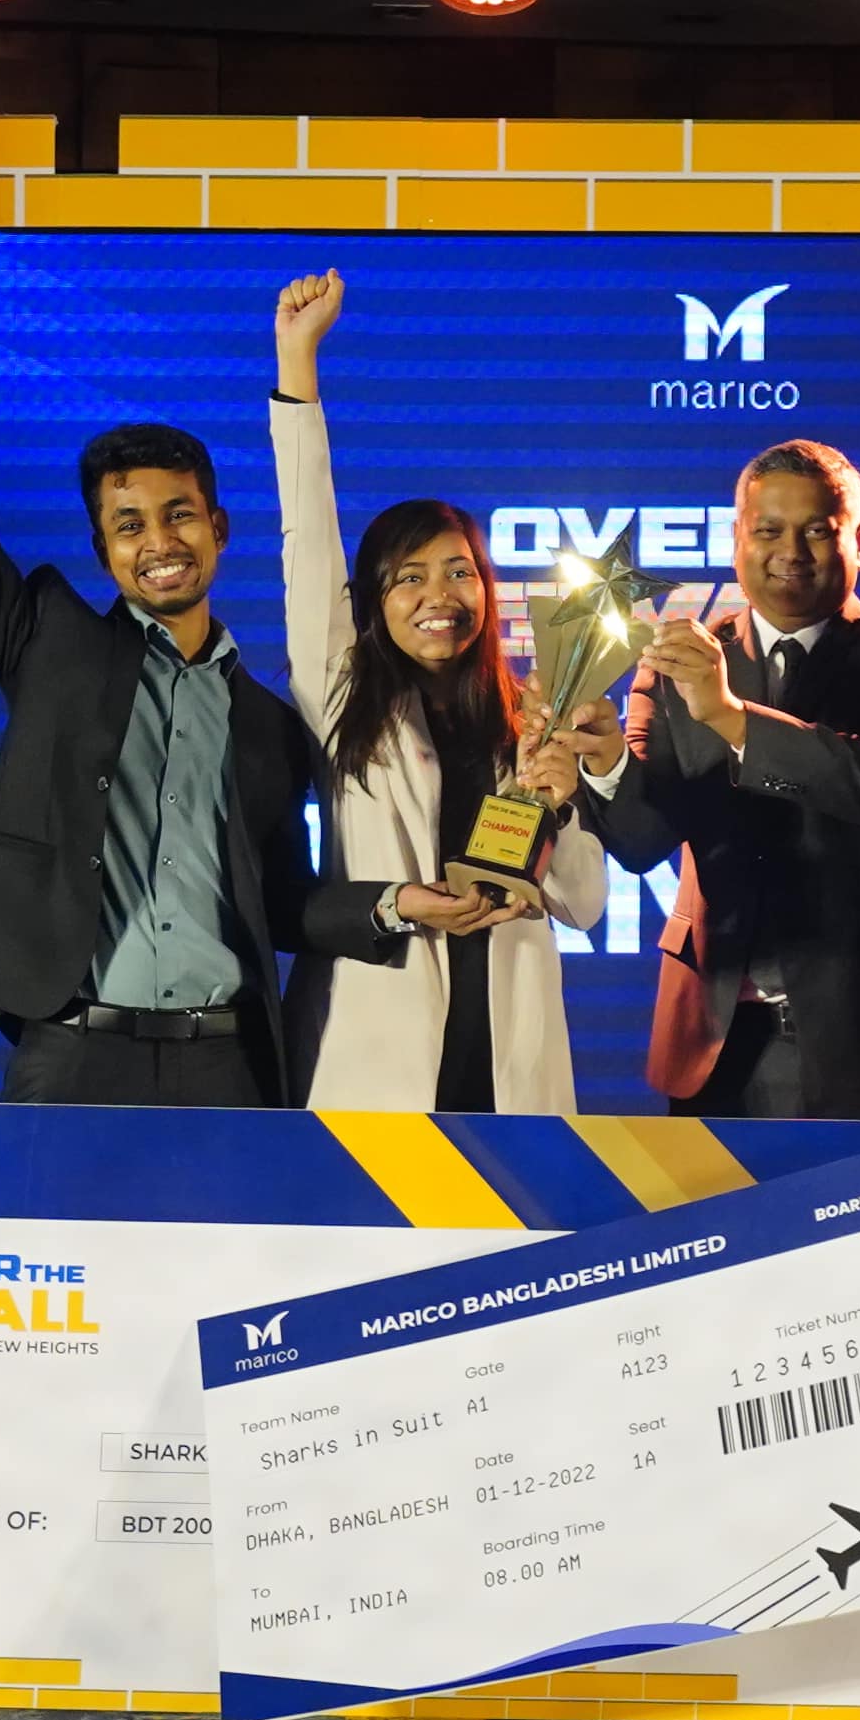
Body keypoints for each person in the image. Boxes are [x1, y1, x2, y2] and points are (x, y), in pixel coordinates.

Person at [0, 253, 401, 1103]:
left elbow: (279, 901)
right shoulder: (51, 644)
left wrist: (392, 907)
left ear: (219, 528)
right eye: (129, 525)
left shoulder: (269, 724)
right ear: (103, 551)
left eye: (179, 515)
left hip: (226, 1063)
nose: (159, 542)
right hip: (71, 1052)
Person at [265, 269, 617, 1112]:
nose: (439, 596)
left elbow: (584, 905)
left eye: (460, 572)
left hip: (509, 1054)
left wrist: (565, 801)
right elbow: (306, 535)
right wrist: (297, 363)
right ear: (372, 600)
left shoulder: (529, 717)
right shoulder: (345, 695)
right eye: (409, 577)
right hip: (379, 1052)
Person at [594, 435, 860, 1119]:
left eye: (817, 531)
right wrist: (603, 760)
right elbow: (642, 840)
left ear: (859, 539)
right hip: (713, 1043)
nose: (792, 552)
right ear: (737, 537)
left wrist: (729, 717)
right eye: (768, 531)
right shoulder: (680, 659)